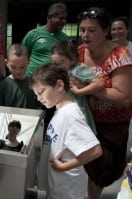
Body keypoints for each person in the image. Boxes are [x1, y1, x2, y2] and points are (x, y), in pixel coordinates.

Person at [76, 7, 132, 199]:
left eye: (91, 31)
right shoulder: (80, 52)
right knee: (83, 166)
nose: (85, 35)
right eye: (82, 30)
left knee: (102, 170)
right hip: (86, 120)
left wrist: (94, 88)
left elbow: (124, 97)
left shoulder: (120, 55)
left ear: (106, 31)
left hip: (112, 126)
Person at [29, 62, 102, 199]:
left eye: (41, 92)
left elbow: (95, 151)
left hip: (68, 190)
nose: (39, 98)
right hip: (57, 186)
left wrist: (64, 167)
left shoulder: (71, 115)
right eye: (36, 95)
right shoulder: (59, 111)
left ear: (59, 85)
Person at [50, 40, 102, 134]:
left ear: (73, 59)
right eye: (54, 63)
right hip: (64, 108)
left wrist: (78, 91)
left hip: (78, 109)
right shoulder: (59, 71)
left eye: (58, 64)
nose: (55, 67)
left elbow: (99, 84)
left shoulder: (79, 69)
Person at [22, 2, 69, 77]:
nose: (64, 21)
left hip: (53, 82)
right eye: (61, 18)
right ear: (50, 17)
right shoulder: (33, 34)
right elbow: (23, 55)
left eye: (65, 18)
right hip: (31, 80)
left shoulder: (65, 38)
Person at [0, 43, 41, 109]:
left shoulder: (33, 85)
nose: (17, 71)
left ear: (28, 62)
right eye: (13, 67)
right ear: (6, 63)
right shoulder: (2, 86)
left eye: (22, 67)